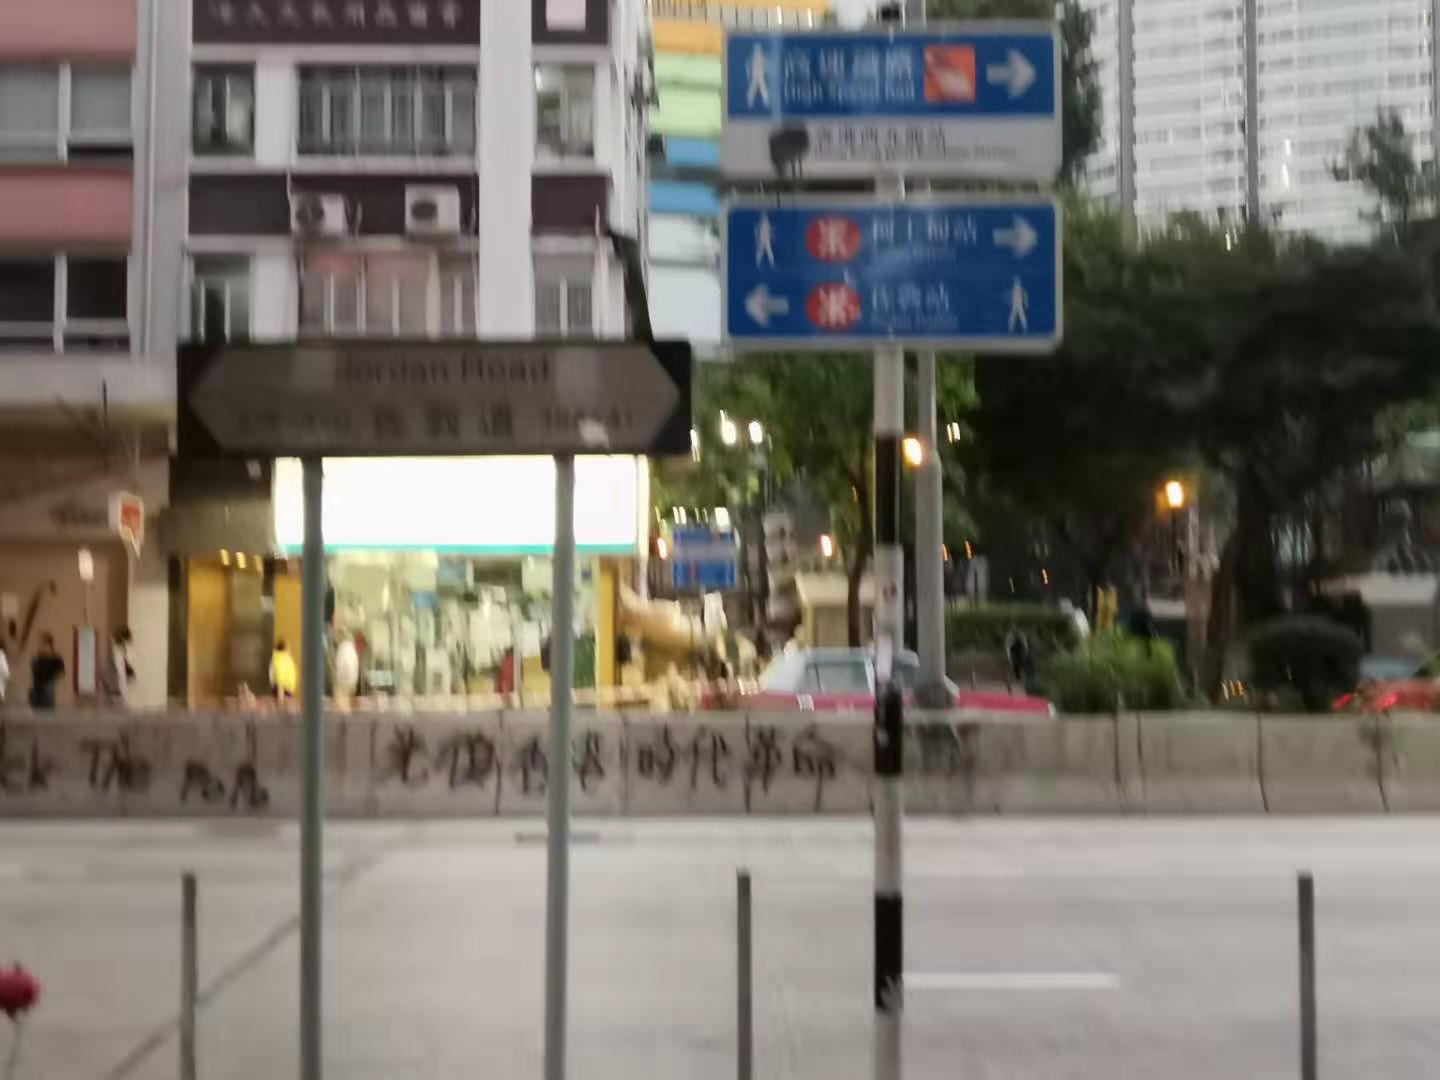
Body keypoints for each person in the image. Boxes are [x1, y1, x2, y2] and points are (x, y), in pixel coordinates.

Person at [29, 633, 65, 710]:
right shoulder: (36, 657)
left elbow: (61, 672)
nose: (39, 645)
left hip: (47, 691)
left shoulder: (55, 657)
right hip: (36, 691)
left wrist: (50, 683)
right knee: (37, 712)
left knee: (47, 711)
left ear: (48, 644)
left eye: (41, 643)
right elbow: (33, 672)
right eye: (39, 643)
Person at [107, 627, 135, 706]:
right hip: (119, 664)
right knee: (121, 678)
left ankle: (122, 696)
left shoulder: (120, 647)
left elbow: (124, 658)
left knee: (122, 678)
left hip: (120, 664)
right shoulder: (119, 647)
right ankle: (122, 697)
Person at [333, 630, 359, 710]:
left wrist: (341, 680)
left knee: (342, 707)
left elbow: (344, 666)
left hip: (344, 683)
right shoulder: (350, 649)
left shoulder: (344, 648)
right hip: (349, 682)